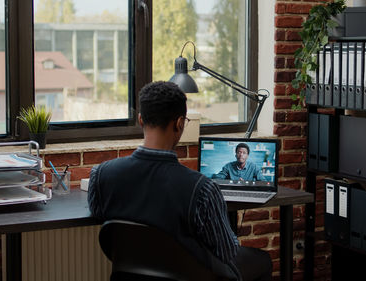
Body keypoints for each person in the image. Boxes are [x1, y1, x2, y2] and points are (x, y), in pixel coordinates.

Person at [88, 81, 272, 281]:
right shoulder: (202, 189)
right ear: (180, 123)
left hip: (131, 273)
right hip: (192, 275)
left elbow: (104, 219)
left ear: (140, 120)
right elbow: (226, 253)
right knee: (262, 260)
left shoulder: (101, 175)